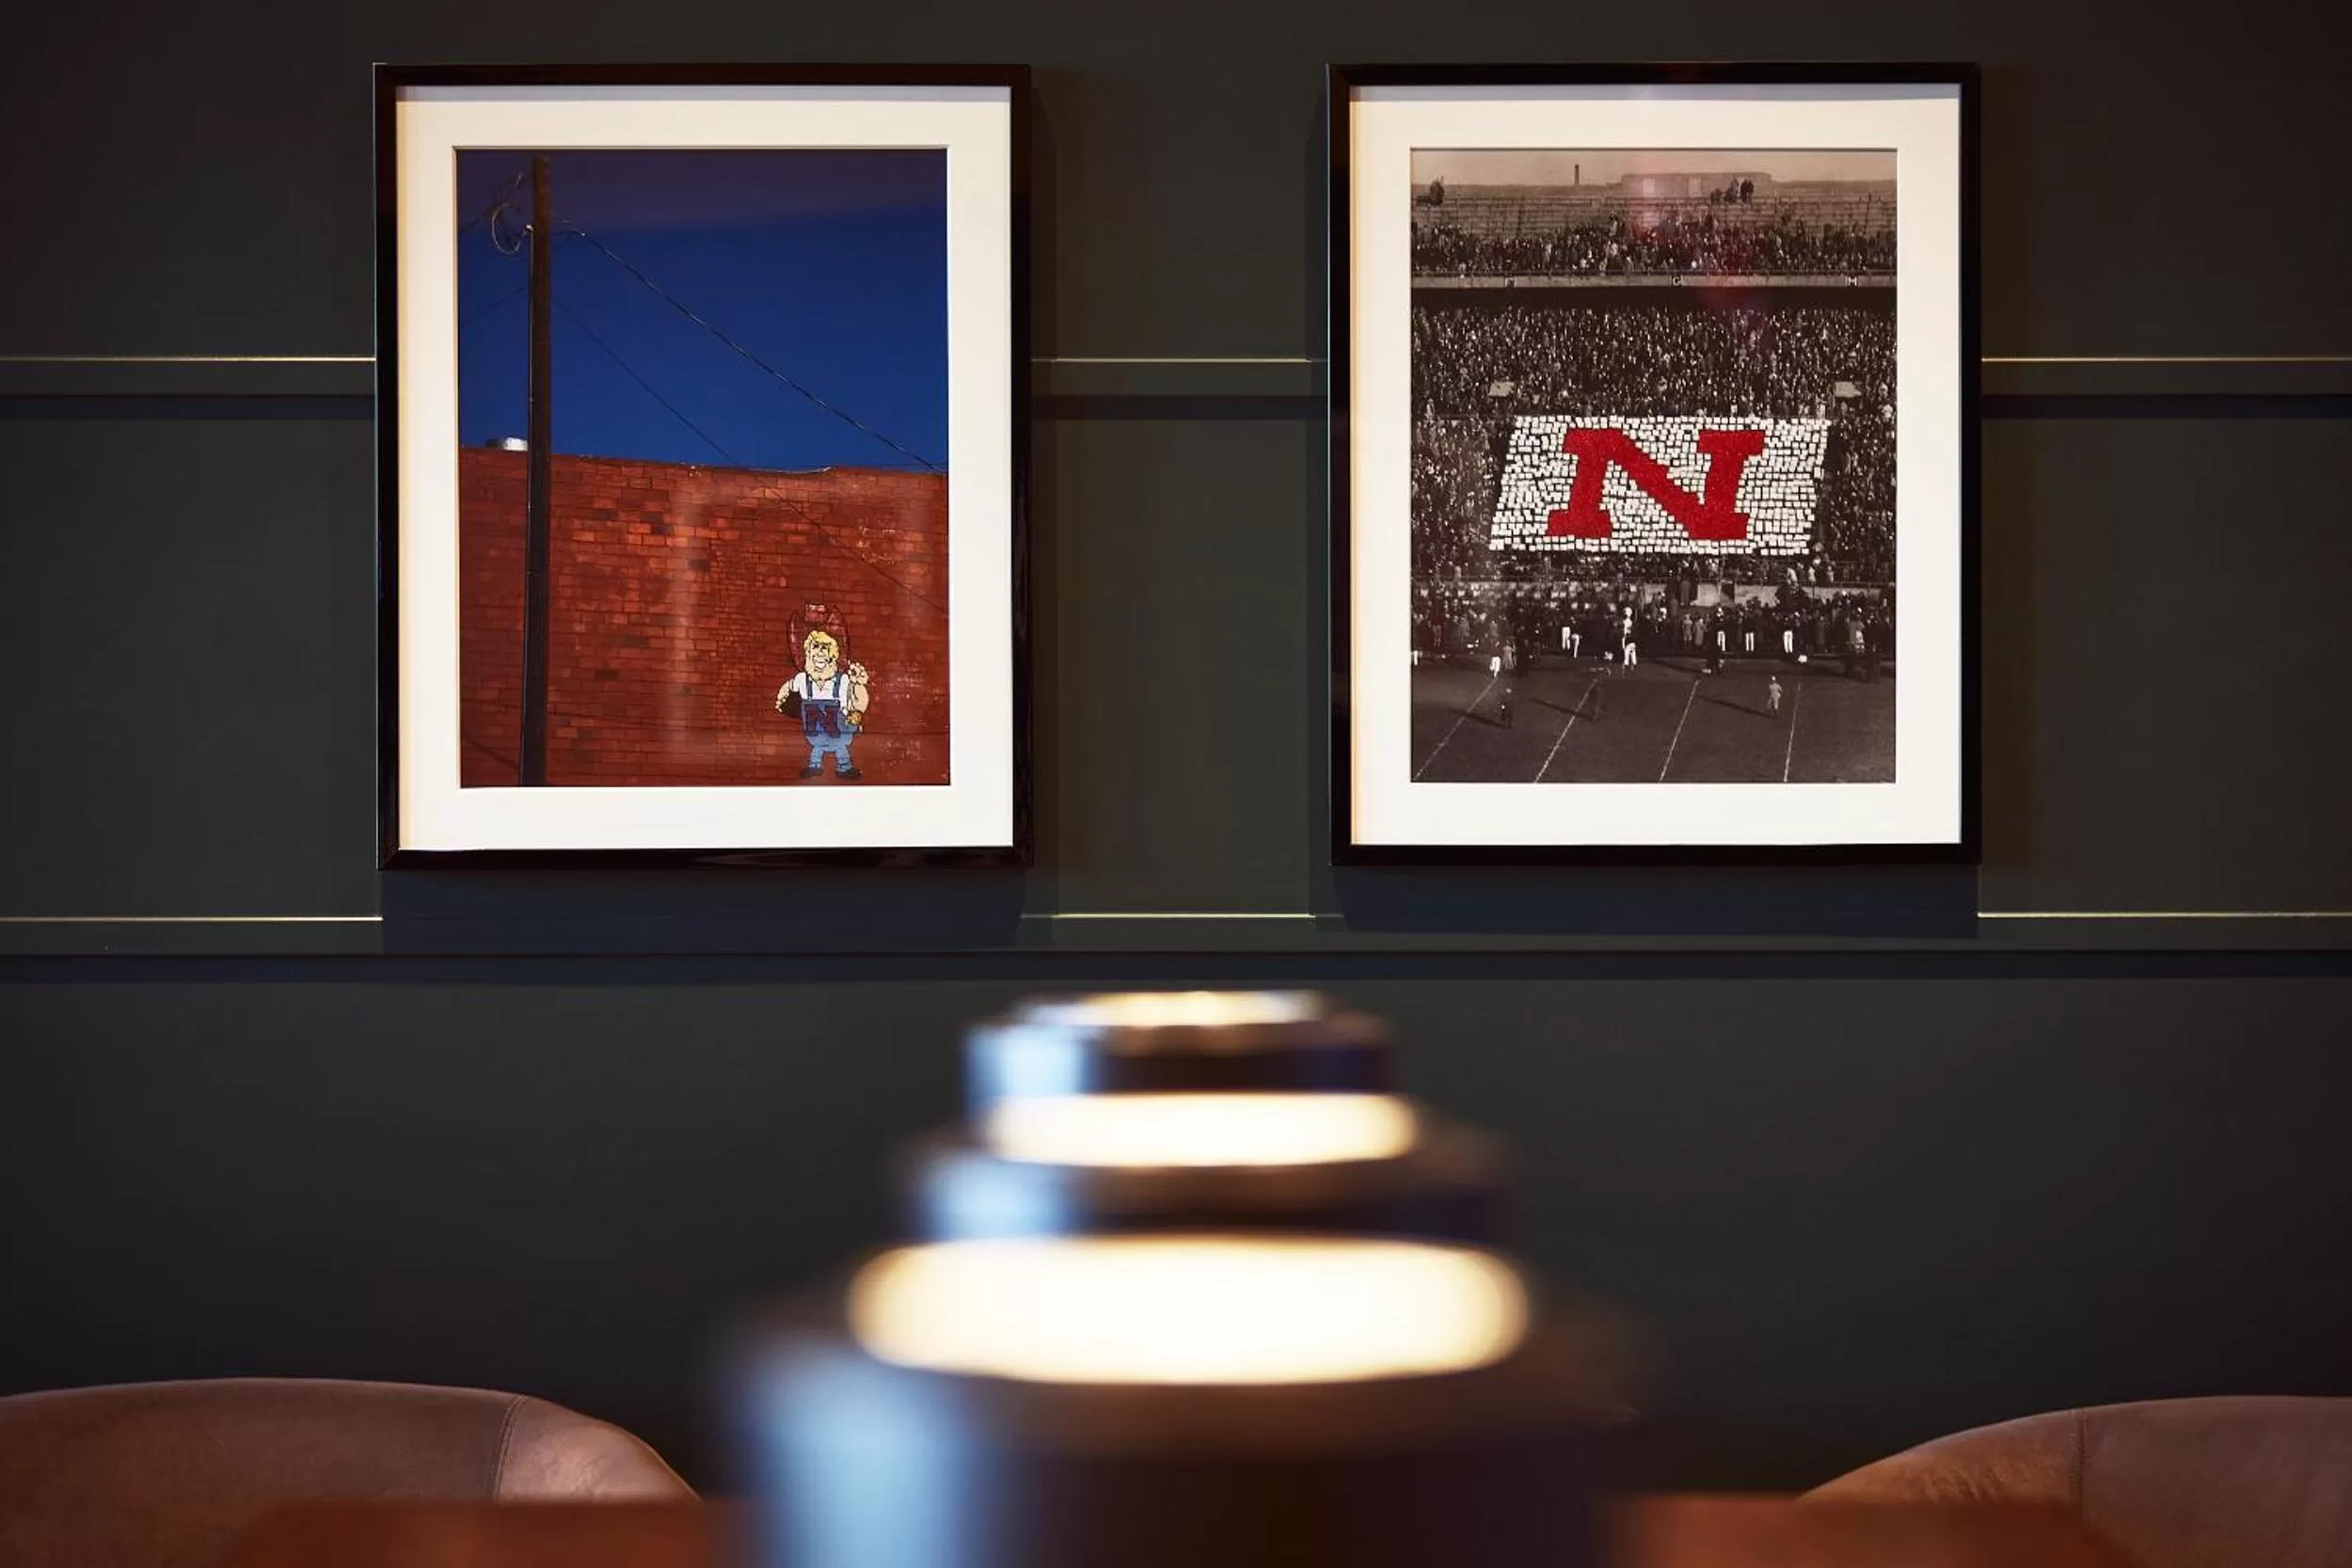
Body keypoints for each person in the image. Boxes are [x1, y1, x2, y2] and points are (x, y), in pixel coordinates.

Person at [775, 628, 870, 780]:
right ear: (809, 654)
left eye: (824, 649)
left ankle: (844, 767)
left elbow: (847, 704)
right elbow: (788, 687)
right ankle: (815, 766)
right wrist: (781, 699)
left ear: (832, 656)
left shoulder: (842, 680)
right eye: (815, 648)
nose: (819, 653)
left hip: (837, 728)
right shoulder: (802, 680)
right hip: (814, 729)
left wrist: (853, 717)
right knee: (817, 746)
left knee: (840, 746)